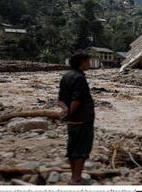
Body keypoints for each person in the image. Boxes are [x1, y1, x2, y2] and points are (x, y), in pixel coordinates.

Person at [58, 53, 95, 185]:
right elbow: (77, 99)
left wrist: (65, 111)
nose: (90, 64)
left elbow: (60, 99)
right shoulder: (79, 78)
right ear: (82, 63)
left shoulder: (66, 76)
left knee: (72, 150)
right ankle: (76, 179)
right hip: (82, 119)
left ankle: (74, 176)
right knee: (82, 151)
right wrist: (69, 112)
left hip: (71, 122)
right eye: (88, 61)